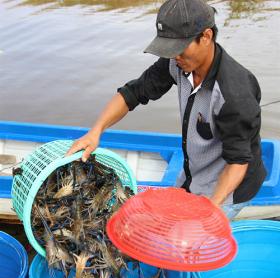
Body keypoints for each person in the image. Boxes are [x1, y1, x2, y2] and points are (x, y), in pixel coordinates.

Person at [67, 0, 266, 219]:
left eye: (179, 49)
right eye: (169, 50)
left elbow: (238, 162)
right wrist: (95, 131)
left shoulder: (234, 93)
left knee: (194, 242)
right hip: (194, 172)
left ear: (206, 37)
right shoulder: (178, 63)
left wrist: (212, 209)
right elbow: (132, 93)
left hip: (228, 190)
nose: (174, 56)